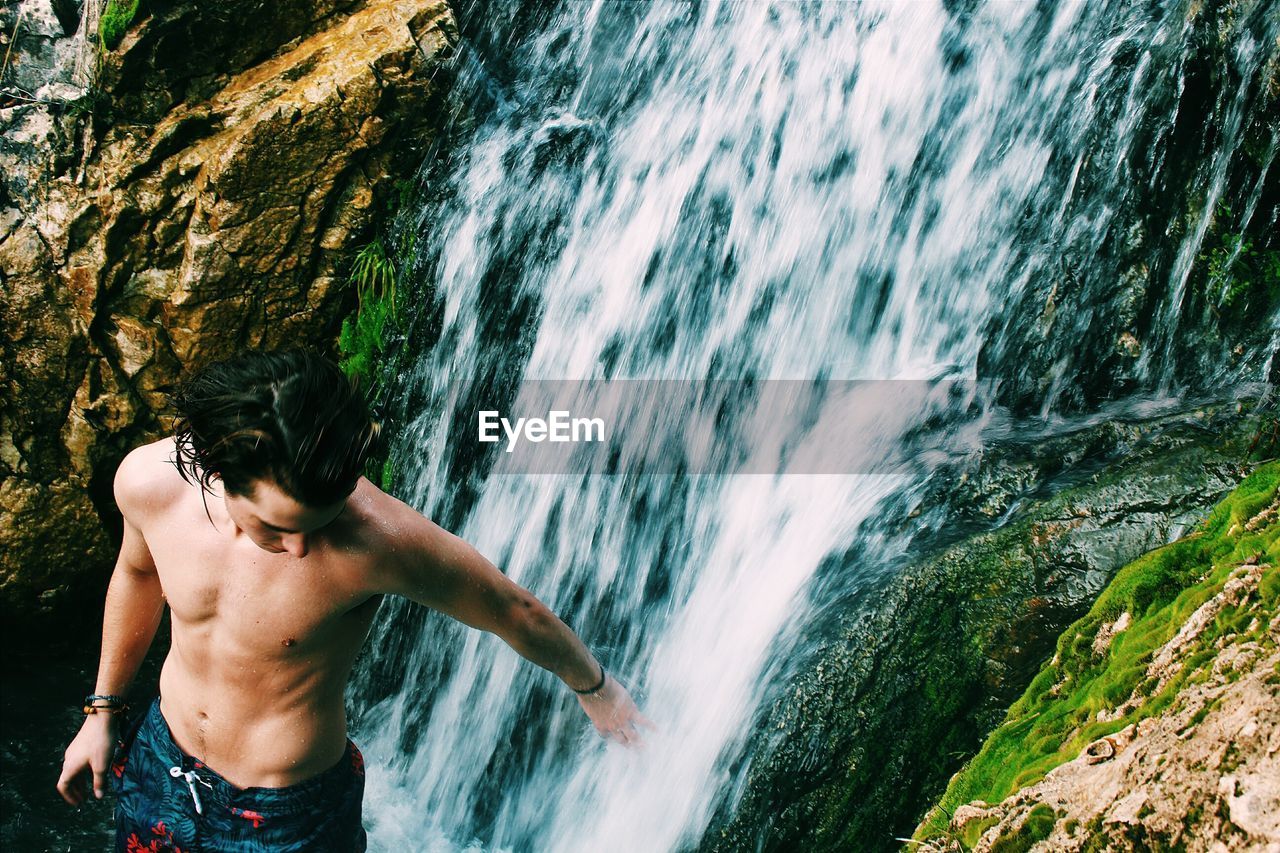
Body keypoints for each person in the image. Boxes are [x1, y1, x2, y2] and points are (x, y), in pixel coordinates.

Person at [57, 349, 652, 851]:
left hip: (289, 811)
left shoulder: (379, 542)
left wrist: (596, 690)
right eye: (277, 525)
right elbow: (137, 575)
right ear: (215, 468)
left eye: (317, 523)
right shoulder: (148, 484)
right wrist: (102, 711)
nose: (297, 549)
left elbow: (512, 610)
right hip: (162, 763)